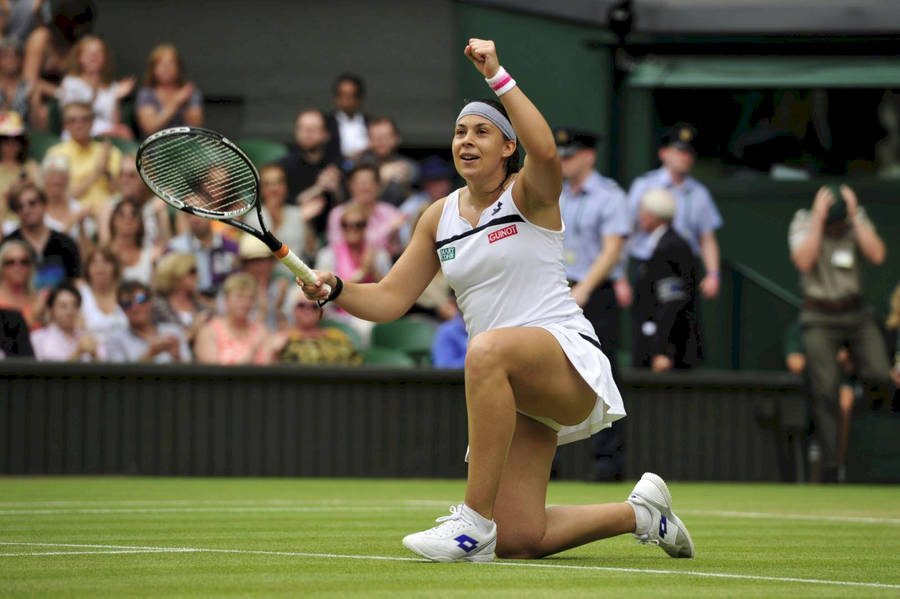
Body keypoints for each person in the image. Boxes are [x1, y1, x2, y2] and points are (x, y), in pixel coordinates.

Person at [300, 39, 693, 563]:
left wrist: (497, 76)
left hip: (564, 360)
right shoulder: (435, 217)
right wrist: (340, 288)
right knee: (522, 539)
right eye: (460, 131)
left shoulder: (530, 192)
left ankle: (471, 523)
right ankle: (643, 514)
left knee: (483, 350)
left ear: (509, 147)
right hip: (513, 387)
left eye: (482, 131)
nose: (467, 140)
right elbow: (391, 299)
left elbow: (548, 152)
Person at [788, 183, 894, 483]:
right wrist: (820, 222)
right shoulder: (804, 221)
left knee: (879, 373)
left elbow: (877, 255)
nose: (838, 229)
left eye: (839, 223)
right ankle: (833, 466)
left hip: (855, 313)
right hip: (819, 314)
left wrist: (855, 216)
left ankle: (865, 419)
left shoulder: (855, 219)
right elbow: (803, 261)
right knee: (826, 389)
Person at [554, 127, 630, 481]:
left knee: (601, 372)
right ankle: (546, 459)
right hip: (557, 290)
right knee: (550, 372)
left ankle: (607, 460)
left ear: (588, 157)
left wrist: (584, 287)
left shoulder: (609, 195)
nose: (563, 161)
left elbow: (613, 248)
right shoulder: (556, 191)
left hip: (595, 291)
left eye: (569, 156)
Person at [622, 123, 723, 306]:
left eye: (689, 153)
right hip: (648, 265)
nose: (684, 157)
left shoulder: (699, 192)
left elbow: (707, 238)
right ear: (664, 153)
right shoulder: (644, 185)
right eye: (679, 151)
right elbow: (626, 231)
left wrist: (713, 274)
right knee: (648, 324)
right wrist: (620, 277)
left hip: (685, 268)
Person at [630, 189, 702, 371]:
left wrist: (663, 350)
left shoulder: (669, 246)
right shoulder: (663, 243)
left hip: (670, 350)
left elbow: (672, 302)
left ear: (654, 216)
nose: (639, 216)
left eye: (643, 212)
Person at [316, 203, 391, 343]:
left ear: (366, 226)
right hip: (339, 315)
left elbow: (389, 291)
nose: (353, 229)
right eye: (346, 225)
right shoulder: (328, 255)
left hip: (373, 311)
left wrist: (373, 269)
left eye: (359, 224)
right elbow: (326, 295)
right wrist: (362, 272)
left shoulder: (379, 255)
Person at [44, 101, 122, 213]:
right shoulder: (55, 154)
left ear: (92, 122)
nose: (79, 125)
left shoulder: (110, 152)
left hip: (108, 213)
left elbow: (119, 192)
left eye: (84, 119)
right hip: (71, 215)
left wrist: (106, 172)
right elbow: (60, 198)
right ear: (65, 126)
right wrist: (97, 172)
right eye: (72, 121)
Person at [3, 180, 80, 289]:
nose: (26, 210)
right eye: (20, 206)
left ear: (44, 204)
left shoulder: (66, 243)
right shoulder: (8, 244)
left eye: (32, 203)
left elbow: (76, 282)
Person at [277, 108, 342, 234]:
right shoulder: (284, 166)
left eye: (313, 129)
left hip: (336, 231)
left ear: (325, 134)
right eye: (303, 129)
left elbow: (350, 205)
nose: (308, 133)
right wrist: (318, 189)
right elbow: (281, 206)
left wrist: (336, 188)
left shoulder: (336, 163)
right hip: (295, 230)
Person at [57, 35, 134, 140]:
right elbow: (74, 118)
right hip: (77, 134)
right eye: (88, 52)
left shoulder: (113, 86)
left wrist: (116, 98)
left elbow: (113, 123)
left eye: (98, 53)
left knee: (124, 133)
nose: (93, 56)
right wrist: (94, 91)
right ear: (79, 57)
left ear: (105, 58)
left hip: (107, 136)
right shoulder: (70, 83)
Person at [251, 163, 321, 271]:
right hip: (269, 278)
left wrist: (307, 223)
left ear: (286, 186)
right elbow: (259, 259)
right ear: (261, 189)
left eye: (279, 182)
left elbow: (312, 253)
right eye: (268, 184)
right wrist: (275, 224)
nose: (274, 188)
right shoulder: (253, 217)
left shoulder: (297, 213)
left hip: (300, 276)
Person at [326, 162, 406, 256]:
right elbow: (337, 247)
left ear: (378, 186)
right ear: (350, 185)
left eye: (369, 182)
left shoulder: (390, 211)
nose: (364, 187)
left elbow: (396, 249)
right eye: (359, 182)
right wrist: (388, 229)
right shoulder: (338, 213)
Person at [103, 278, 190, 363]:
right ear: (122, 309)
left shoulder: (174, 332)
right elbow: (118, 375)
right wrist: (150, 353)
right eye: (127, 303)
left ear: (150, 301)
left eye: (141, 299)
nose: (136, 307)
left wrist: (177, 356)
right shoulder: (115, 340)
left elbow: (190, 373)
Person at [97, 153, 170, 254]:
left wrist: (159, 214)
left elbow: (166, 249)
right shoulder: (108, 208)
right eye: (122, 174)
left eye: (132, 176)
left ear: (145, 179)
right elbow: (106, 251)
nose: (124, 180)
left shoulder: (156, 207)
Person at [269, 286, 361, 365]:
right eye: (301, 305)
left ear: (322, 311)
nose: (308, 310)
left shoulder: (337, 336)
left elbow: (356, 365)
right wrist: (274, 352)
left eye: (314, 307)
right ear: (292, 308)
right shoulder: (281, 338)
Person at [193, 272, 269, 365]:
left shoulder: (261, 331)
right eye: (239, 297)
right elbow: (212, 372)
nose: (246, 303)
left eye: (250, 298)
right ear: (226, 299)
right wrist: (251, 353)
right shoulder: (209, 332)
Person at [135, 43, 203, 138]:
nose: (166, 69)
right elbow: (150, 128)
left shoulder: (190, 92)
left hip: (185, 146)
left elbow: (196, 127)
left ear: (179, 68)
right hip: (154, 149)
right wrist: (175, 102)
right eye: (161, 64)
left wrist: (185, 102)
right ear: (153, 69)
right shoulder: (146, 94)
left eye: (170, 64)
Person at [166, 212, 239, 299]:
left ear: (211, 214)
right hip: (192, 304)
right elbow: (166, 285)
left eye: (198, 214)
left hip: (224, 304)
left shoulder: (230, 247)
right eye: (189, 216)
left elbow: (238, 281)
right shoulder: (175, 248)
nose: (195, 219)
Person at [150, 251, 211, 347]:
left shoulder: (200, 304)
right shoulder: (156, 305)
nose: (197, 276)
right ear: (175, 274)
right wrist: (192, 332)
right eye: (192, 271)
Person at [355, 116, 419, 206]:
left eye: (386, 137)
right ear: (369, 140)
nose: (381, 142)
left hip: (401, 214)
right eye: (376, 137)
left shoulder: (407, 164)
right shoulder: (359, 164)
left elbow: (415, 179)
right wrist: (380, 174)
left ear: (397, 138)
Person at [30, 280, 98, 360]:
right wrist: (78, 353)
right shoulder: (38, 338)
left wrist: (94, 354)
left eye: (74, 305)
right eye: (63, 306)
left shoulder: (89, 338)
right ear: (51, 309)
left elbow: (105, 370)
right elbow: (47, 371)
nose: (70, 311)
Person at [397, 155, 454, 248]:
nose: (438, 186)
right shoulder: (411, 206)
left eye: (442, 180)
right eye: (433, 181)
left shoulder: (456, 202)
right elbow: (405, 242)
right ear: (425, 183)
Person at [76, 244, 127, 345]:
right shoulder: (79, 295)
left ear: (115, 267)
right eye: (94, 263)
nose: (100, 267)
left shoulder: (126, 293)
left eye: (106, 262)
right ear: (87, 269)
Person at [0, 109, 39, 220]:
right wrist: (9, 194)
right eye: (6, 139)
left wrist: (29, 186)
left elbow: (42, 198)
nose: (11, 144)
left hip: (29, 222)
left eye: (16, 139)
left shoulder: (31, 167)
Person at [106, 197, 154, 285]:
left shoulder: (150, 256)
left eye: (133, 215)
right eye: (121, 215)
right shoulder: (102, 254)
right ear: (113, 220)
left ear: (140, 222)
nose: (128, 220)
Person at [0, 237, 44, 328]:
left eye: (24, 262)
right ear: (1, 267)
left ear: (31, 267)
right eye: (10, 262)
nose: (18, 267)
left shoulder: (38, 300)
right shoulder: (38, 306)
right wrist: (33, 317)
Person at [325, 73, 369, 162]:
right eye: (342, 96)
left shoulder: (370, 123)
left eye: (350, 96)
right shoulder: (326, 124)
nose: (346, 102)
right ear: (336, 99)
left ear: (360, 99)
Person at [0, 39, 40, 132]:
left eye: (15, 56)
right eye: (5, 56)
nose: (11, 60)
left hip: (22, 137)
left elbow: (38, 127)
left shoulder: (29, 87)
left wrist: (34, 103)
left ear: (21, 60)